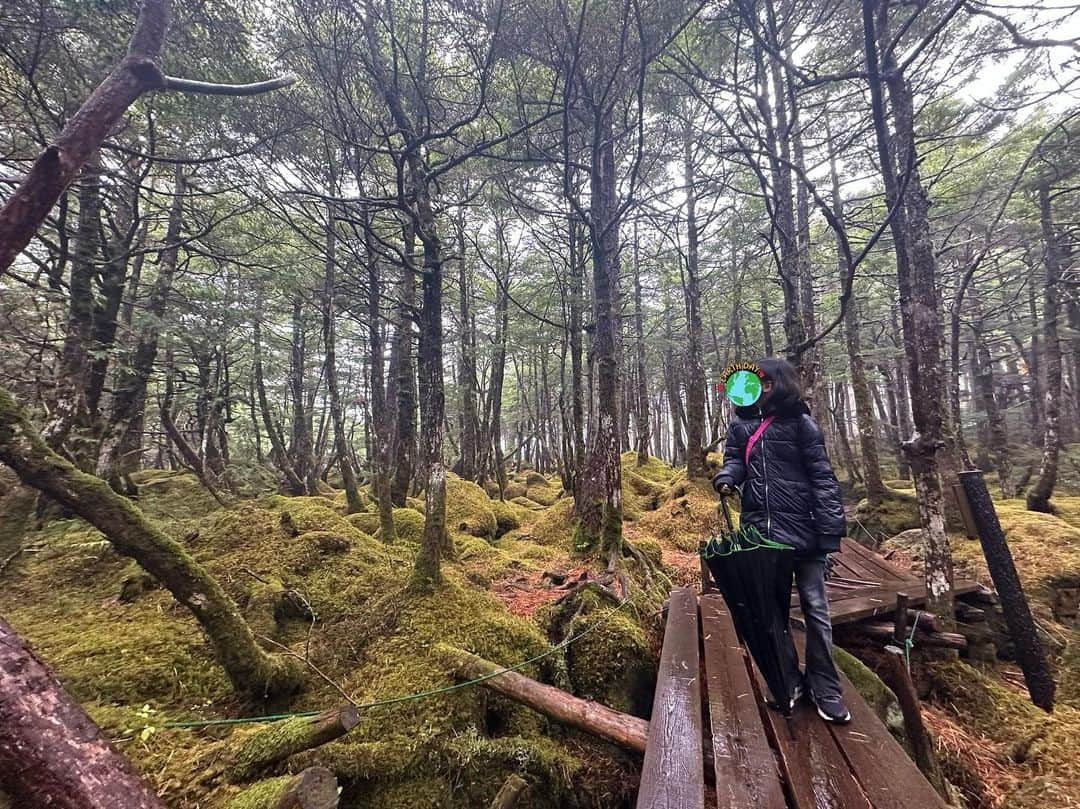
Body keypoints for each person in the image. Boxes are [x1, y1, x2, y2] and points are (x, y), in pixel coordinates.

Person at [711, 357, 851, 724]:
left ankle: (825, 684)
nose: (759, 389)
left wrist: (829, 530)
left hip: (805, 532)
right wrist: (727, 477)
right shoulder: (741, 426)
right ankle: (787, 680)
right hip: (762, 534)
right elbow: (735, 462)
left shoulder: (801, 424)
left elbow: (822, 477)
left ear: (780, 385)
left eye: (766, 383)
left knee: (816, 610)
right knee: (771, 613)